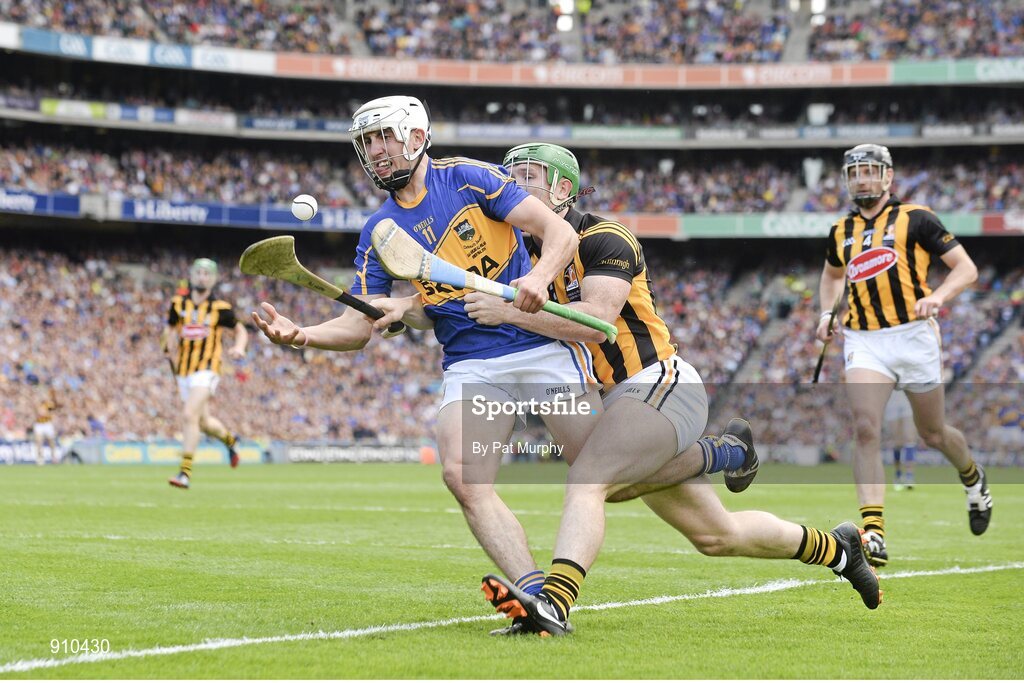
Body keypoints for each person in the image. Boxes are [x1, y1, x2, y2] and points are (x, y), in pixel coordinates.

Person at [459, 143, 880, 636]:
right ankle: (837, 548)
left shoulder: (604, 237)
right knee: (716, 535)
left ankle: (553, 602)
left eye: (527, 176)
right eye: (508, 177)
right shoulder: (512, 252)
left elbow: (598, 324)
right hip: (617, 403)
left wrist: (509, 311)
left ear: (562, 189)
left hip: (659, 383)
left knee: (588, 480)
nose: (514, 186)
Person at [252, 95, 611, 586]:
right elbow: (357, 327)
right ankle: (535, 594)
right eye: (366, 142)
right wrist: (303, 335)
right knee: (464, 478)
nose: (376, 152)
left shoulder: (467, 177)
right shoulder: (378, 231)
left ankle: (708, 457)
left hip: (539, 344)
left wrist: (539, 276)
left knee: (603, 473)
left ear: (417, 138)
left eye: (384, 138)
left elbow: (559, 234)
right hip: (471, 363)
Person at [815, 143, 992, 567]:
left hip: (913, 335)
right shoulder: (841, 231)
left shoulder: (917, 219)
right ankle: (872, 532)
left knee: (932, 433)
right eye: (854, 172)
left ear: (888, 177)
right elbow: (831, 277)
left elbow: (966, 269)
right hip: (864, 338)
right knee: (865, 427)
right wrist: (826, 313)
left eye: (870, 171)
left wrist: (940, 297)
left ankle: (972, 476)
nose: (862, 179)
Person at [164, 258, 247, 489]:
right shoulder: (178, 303)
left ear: (213, 279)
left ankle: (185, 473)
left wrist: (239, 347)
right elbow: (171, 329)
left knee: (189, 414)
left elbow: (240, 330)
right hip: (183, 371)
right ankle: (231, 440)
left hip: (207, 368)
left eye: (207, 273)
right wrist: (169, 347)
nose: (202, 277)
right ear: (192, 275)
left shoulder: (220, 308)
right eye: (198, 272)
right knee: (203, 422)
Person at [883, 390, 916, 490]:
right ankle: (898, 474)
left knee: (910, 438)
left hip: (908, 398)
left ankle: (909, 475)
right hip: (892, 399)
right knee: (897, 442)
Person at [32, 386, 60, 465]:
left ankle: (54, 457)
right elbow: (38, 413)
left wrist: (46, 413)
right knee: (38, 441)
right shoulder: (37, 403)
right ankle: (40, 458)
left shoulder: (49, 404)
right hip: (39, 424)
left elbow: (52, 412)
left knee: (51, 441)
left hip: (47, 423)